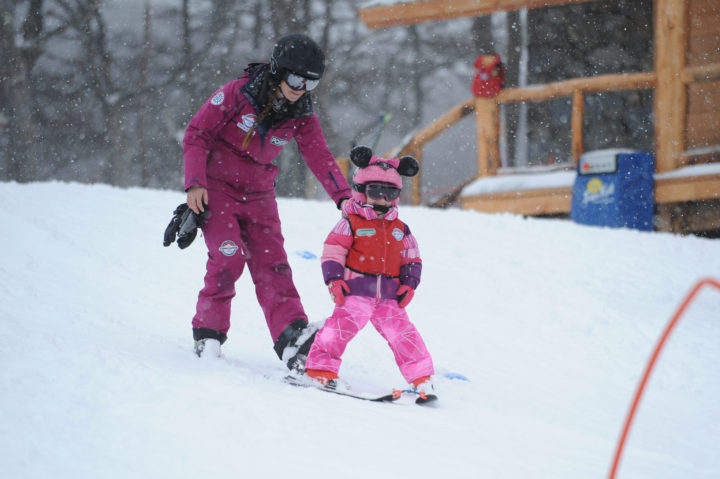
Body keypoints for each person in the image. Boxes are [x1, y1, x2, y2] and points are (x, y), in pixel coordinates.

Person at [181, 34, 351, 370]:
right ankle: (208, 334)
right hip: (218, 189)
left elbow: (319, 155)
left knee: (273, 264)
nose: (301, 88)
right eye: (296, 79)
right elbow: (197, 135)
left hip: (259, 194)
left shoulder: (301, 112)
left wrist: (344, 198)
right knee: (228, 257)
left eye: (311, 83)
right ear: (277, 70)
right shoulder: (236, 94)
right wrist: (194, 184)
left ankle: (292, 337)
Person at [304, 145, 437, 401]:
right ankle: (319, 369)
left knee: (404, 335)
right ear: (361, 191)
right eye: (376, 191)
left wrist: (409, 284)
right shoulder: (351, 222)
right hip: (355, 292)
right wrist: (334, 281)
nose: (383, 198)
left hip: (389, 296)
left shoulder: (400, 228)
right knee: (338, 330)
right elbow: (333, 252)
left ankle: (422, 378)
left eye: (390, 192)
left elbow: (412, 257)